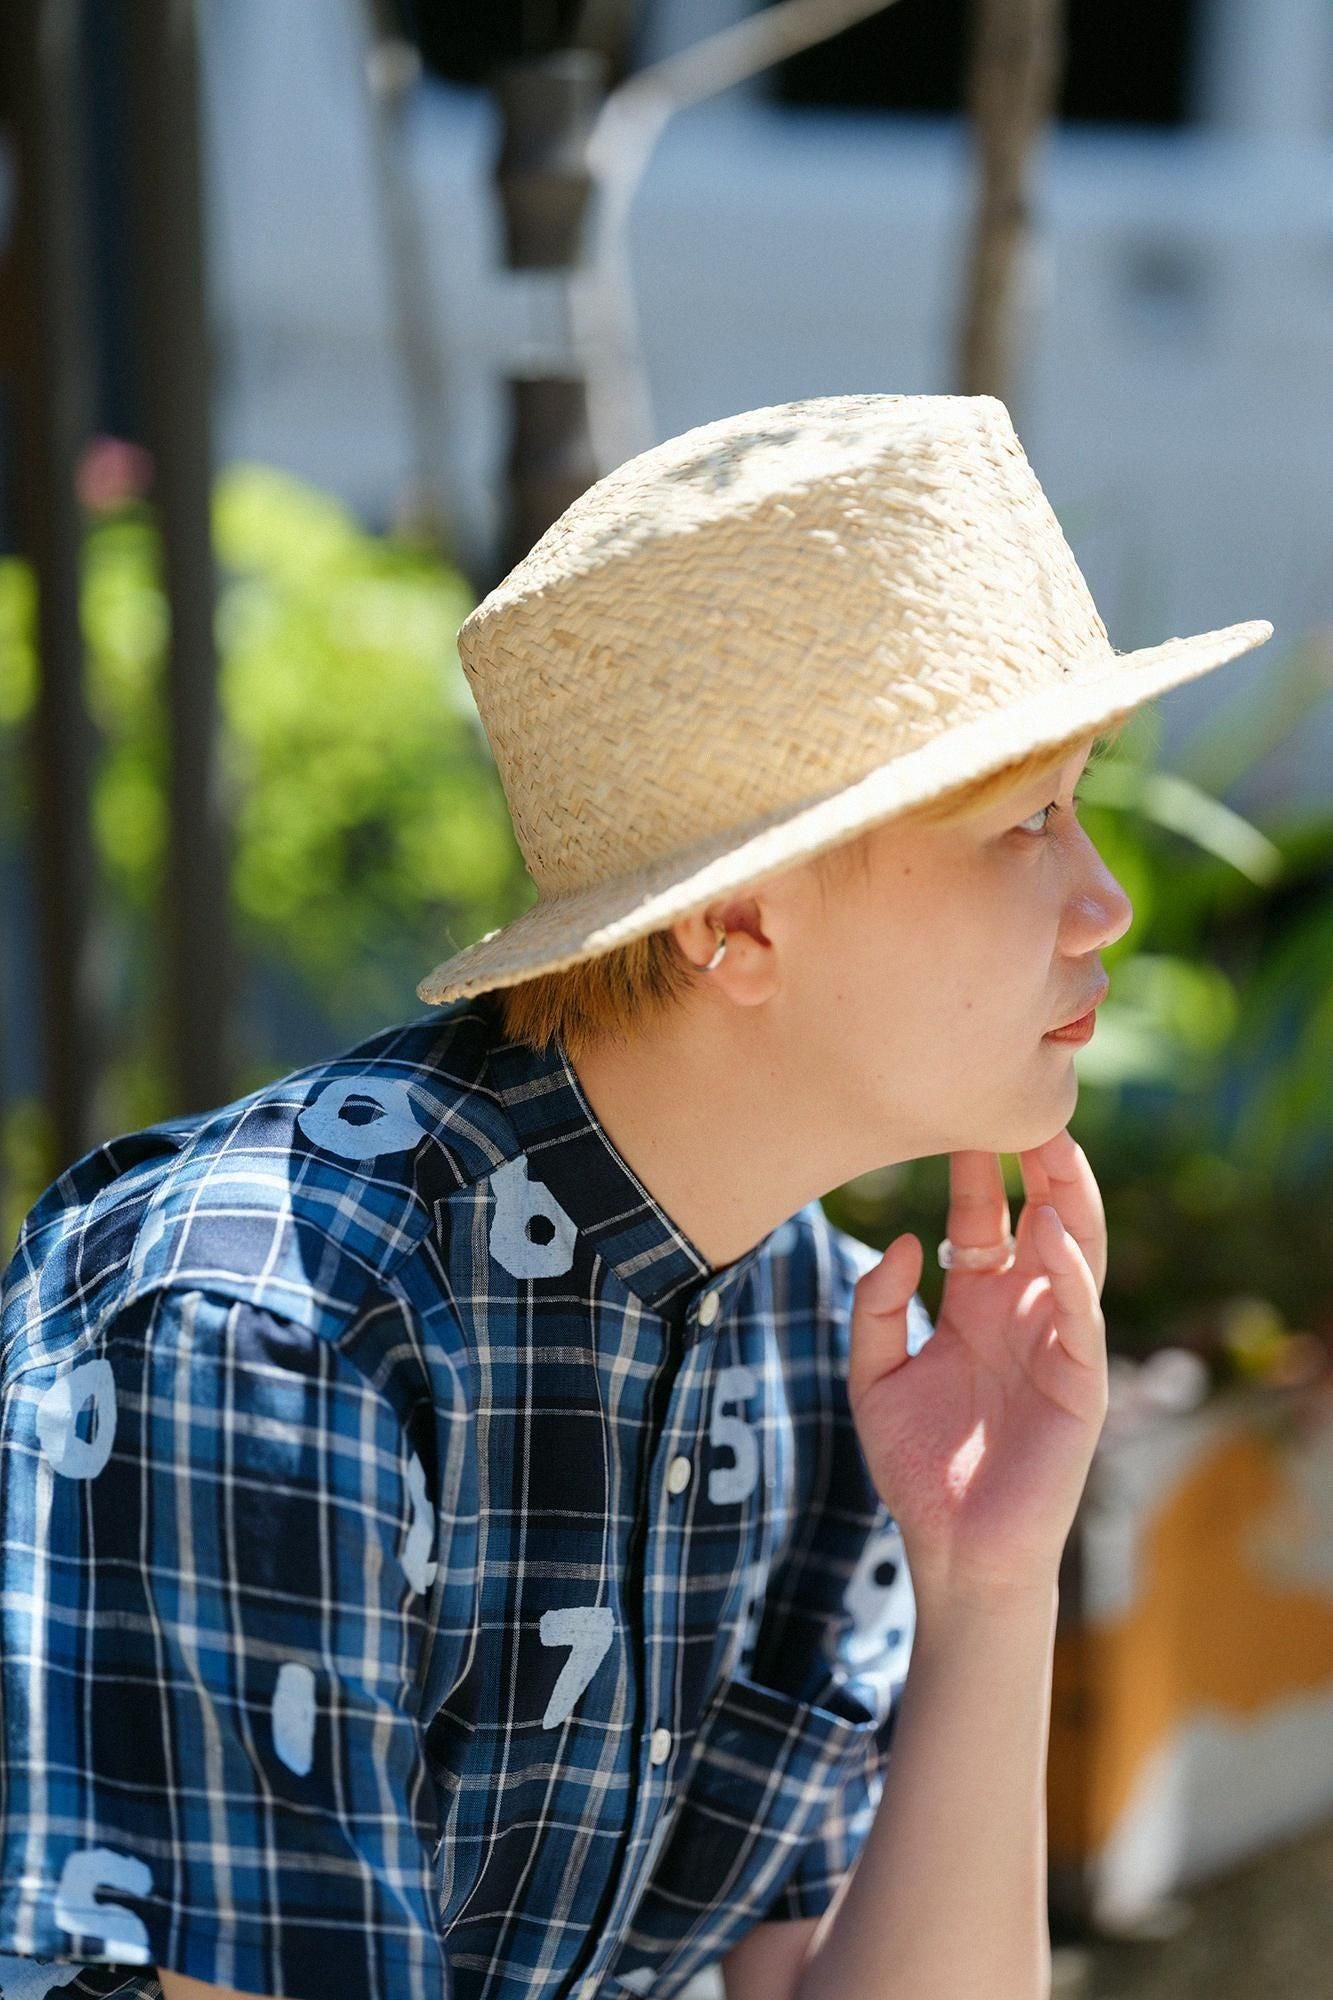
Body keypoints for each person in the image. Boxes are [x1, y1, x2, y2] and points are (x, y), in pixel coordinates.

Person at [0, 394, 1272, 2000]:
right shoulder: (267, 1328)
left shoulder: (812, 1326)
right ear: (734, 923)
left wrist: (988, 1575)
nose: (1105, 902)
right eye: (1024, 821)